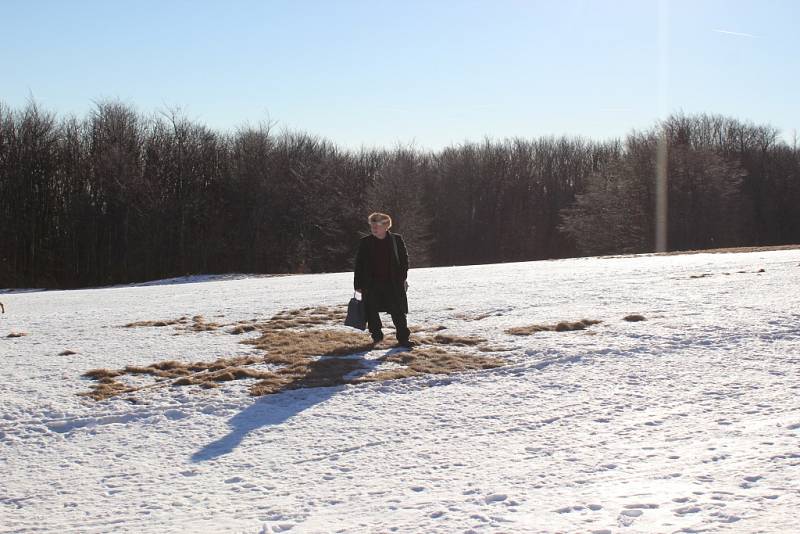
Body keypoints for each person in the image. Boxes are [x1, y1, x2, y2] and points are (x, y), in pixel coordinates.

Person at [354, 212, 413, 348]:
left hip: (392, 283)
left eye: (377, 226)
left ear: (386, 226)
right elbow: (359, 265)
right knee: (371, 311)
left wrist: (401, 278)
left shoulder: (396, 240)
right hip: (371, 284)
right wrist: (358, 285)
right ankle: (377, 337)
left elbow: (404, 261)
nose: (374, 229)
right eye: (372, 226)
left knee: (398, 311)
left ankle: (403, 338)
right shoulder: (365, 242)